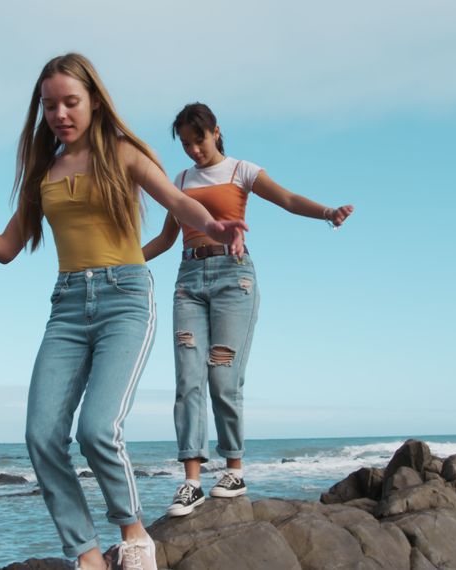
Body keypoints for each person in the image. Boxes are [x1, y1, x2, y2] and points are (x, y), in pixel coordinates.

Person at [0, 56, 246, 570]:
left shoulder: (122, 154)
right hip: (66, 305)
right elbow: (5, 247)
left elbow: (178, 200)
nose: (60, 113)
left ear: (93, 100)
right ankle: (87, 554)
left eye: (70, 102)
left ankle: (134, 534)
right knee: (41, 435)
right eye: (49, 105)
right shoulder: (43, 172)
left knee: (97, 429)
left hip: (125, 297)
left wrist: (216, 227)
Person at [141, 102, 353, 517]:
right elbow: (166, 239)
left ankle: (233, 471)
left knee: (222, 376)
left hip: (233, 279)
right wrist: (125, 258)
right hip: (188, 282)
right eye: (185, 144)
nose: (193, 151)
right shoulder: (180, 180)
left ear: (216, 132)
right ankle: (191, 482)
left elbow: (288, 199)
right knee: (187, 378)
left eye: (198, 140)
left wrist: (328, 213)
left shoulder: (242, 171)